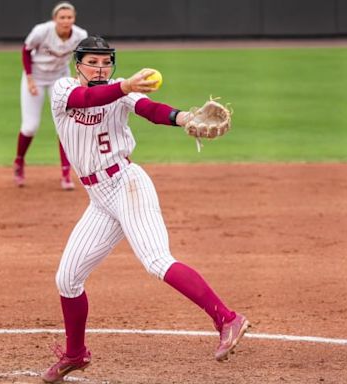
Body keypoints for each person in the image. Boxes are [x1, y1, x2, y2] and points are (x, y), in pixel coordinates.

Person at [41, 36, 250, 383]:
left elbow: (149, 110)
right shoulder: (63, 90)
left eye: (106, 62)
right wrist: (123, 85)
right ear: (78, 64)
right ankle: (76, 354)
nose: (100, 68)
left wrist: (182, 117)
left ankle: (227, 319)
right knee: (67, 279)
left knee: (156, 260)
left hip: (127, 184)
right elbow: (88, 98)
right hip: (99, 198)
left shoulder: (120, 92)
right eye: (92, 62)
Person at [13, 2, 88, 189]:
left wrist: (77, 78)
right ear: (55, 19)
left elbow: (81, 57)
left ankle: (66, 174)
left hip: (60, 79)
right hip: (36, 77)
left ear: (74, 18)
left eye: (69, 17)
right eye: (62, 17)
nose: (66, 21)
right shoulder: (42, 31)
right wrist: (29, 79)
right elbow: (26, 50)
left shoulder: (80, 35)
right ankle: (19, 162)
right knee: (30, 127)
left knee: (64, 126)